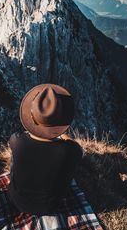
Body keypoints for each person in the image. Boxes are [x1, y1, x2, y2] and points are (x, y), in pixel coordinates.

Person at [8, 84, 83, 216]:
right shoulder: (69, 150)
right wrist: (62, 136)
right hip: (50, 207)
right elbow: (78, 151)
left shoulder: (17, 141)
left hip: (16, 200)